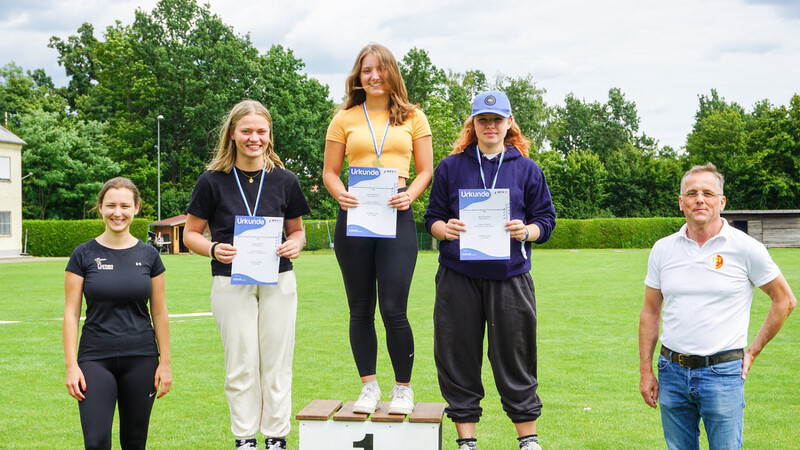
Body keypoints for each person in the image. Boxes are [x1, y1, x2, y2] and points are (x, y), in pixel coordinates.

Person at [424, 90, 556, 450]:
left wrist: (526, 231)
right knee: (457, 355)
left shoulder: (527, 169)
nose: (490, 126)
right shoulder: (451, 166)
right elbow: (432, 217)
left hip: (510, 278)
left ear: (509, 123)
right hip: (458, 277)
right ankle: (467, 441)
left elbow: (546, 220)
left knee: (516, 356)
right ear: (474, 124)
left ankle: (527, 438)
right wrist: (444, 229)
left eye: (497, 120)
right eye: (483, 120)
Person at [639, 163, 796, 449]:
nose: (700, 199)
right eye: (692, 193)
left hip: (722, 373)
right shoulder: (663, 249)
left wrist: (752, 352)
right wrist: (645, 371)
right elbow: (650, 311)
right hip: (671, 372)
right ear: (681, 202)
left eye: (708, 193)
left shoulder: (746, 248)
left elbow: (785, 300)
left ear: (721, 202)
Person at [183, 100, 310, 450]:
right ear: (233, 134)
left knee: (277, 362)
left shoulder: (285, 179)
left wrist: (295, 245)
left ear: (269, 135)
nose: (254, 138)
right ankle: (244, 437)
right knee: (241, 362)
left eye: (261, 131)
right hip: (229, 280)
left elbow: (297, 231)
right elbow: (190, 233)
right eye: (247, 131)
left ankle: (275, 436)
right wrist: (211, 248)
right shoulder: (212, 181)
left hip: (278, 279)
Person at [322, 42, 433, 415]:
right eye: (366, 70)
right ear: (358, 76)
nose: (373, 77)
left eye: (380, 70)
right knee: (360, 308)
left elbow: (426, 171)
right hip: (355, 216)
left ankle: (403, 389)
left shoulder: (414, 117)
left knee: (393, 308)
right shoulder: (344, 118)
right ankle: (368, 387)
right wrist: (340, 194)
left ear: (391, 74)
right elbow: (330, 173)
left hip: (396, 213)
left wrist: (411, 195)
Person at [63, 177, 171, 449]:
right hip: (95, 360)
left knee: (134, 443)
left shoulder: (149, 256)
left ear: (136, 208)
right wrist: (71, 365)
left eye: (125, 205)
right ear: (100, 208)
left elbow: (159, 312)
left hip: (142, 359)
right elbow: (71, 313)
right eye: (110, 205)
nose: (117, 212)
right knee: (97, 441)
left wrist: (165, 363)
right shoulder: (83, 254)